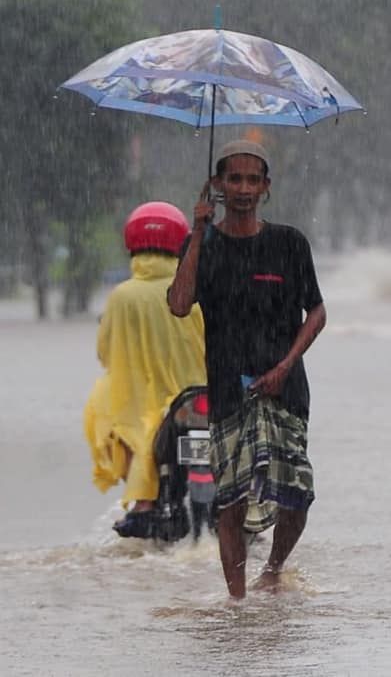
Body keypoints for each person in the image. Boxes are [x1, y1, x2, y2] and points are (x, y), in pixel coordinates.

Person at [167, 139, 326, 599]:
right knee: (230, 498)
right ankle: (236, 602)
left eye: (252, 179)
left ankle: (273, 569)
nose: (242, 188)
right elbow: (179, 304)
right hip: (227, 391)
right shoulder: (204, 245)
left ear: (266, 187)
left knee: (296, 492)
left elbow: (316, 312)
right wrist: (198, 231)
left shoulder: (289, 243)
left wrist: (286, 364)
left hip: (285, 389)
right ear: (217, 185)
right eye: (233, 179)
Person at [84, 202, 206, 537]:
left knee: (107, 410)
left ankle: (144, 503)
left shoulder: (121, 297)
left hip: (148, 406)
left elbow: (105, 353)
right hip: (200, 398)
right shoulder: (196, 287)